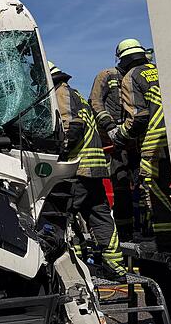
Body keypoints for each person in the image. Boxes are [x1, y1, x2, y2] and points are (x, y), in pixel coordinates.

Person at [49, 61, 127, 280]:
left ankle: (75, 267)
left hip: (78, 168)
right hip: (95, 167)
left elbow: (70, 126)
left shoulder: (60, 92)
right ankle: (115, 267)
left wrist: (60, 154)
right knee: (99, 214)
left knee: (63, 216)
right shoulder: (78, 95)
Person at [109, 40, 171, 251]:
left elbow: (139, 117)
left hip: (154, 144)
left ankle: (167, 243)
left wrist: (119, 135)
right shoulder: (161, 71)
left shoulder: (131, 77)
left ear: (122, 59)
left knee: (153, 189)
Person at [90, 50, 134, 241]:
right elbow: (96, 102)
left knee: (141, 185)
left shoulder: (135, 76)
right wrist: (109, 127)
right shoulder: (106, 76)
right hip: (113, 143)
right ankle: (125, 233)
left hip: (133, 139)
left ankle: (143, 228)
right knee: (121, 184)